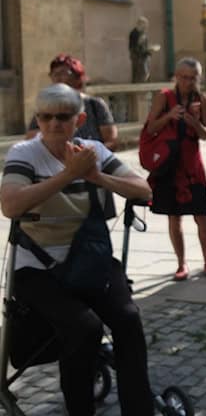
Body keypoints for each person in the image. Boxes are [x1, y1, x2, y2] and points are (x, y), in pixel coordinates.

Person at [1, 83, 155, 416]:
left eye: (63, 117)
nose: (54, 124)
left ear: (79, 119)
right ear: (38, 120)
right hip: (37, 267)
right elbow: (11, 205)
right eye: (46, 117)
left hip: (89, 258)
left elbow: (142, 188)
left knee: (128, 318)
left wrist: (97, 177)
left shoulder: (92, 151)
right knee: (84, 328)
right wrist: (67, 175)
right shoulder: (23, 154)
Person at [145, 58, 206, 281]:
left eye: (192, 78)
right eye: (183, 77)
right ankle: (181, 263)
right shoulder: (163, 97)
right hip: (169, 164)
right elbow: (150, 128)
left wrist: (194, 122)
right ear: (176, 76)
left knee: (201, 215)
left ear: (198, 79)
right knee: (173, 217)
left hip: (192, 164)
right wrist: (169, 116)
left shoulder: (203, 100)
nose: (187, 82)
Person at [26, 54, 118, 151]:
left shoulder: (95, 105)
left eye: (63, 73)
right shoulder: (45, 107)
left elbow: (112, 141)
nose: (58, 78)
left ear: (77, 76)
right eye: (54, 74)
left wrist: (87, 154)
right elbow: (30, 142)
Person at [129, 16, 154, 83]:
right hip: (137, 57)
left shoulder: (143, 33)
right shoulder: (134, 33)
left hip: (144, 56)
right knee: (139, 74)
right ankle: (137, 91)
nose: (146, 27)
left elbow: (144, 46)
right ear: (140, 24)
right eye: (145, 24)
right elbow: (134, 47)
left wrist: (149, 50)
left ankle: (145, 90)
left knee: (146, 74)